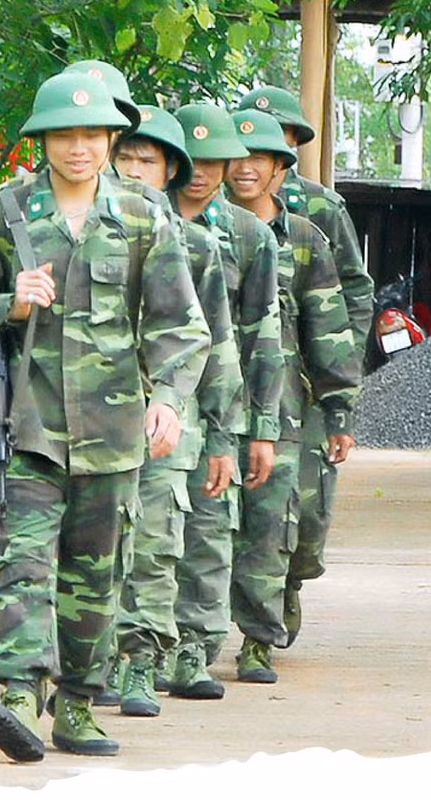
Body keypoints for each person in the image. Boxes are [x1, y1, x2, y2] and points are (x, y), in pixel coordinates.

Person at [0, 71, 208, 762]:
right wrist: (9, 303)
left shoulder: (143, 216)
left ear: (111, 138)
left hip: (114, 435)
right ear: (43, 140)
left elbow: (180, 325)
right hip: (30, 427)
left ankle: (78, 706)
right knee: (23, 565)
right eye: (64, 135)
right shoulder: (6, 213)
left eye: (91, 134)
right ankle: (19, 697)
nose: (78, 147)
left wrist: (169, 399)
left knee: (95, 578)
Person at [106, 107, 242, 718]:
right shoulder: (84, 234)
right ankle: (94, 662)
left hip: (170, 425)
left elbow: (216, 347)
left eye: (149, 161)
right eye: (126, 158)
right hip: (95, 421)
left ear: (170, 172)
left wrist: (224, 439)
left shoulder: (197, 246)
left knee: (157, 548)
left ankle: (142, 663)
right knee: (97, 546)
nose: (135, 170)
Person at [221, 109, 360, 685]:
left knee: (280, 521)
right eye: (237, 157)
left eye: (261, 158)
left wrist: (338, 408)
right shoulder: (199, 227)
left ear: (281, 168)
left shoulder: (304, 238)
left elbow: (327, 325)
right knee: (207, 523)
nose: (246, 168)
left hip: (282, 403)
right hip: (210, 398)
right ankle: (197, 640)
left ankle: (263, 630)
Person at [167, 101, 285, 699]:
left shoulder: (248, 236)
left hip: (219, 408)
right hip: (149, 405)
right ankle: (136, 650)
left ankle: (194, 650)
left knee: (210, 530)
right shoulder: (141, 222)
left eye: (214, 162)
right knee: (145, 535)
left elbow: (264, 338)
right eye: (192, 161)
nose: (202, 174)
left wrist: (261, 429)